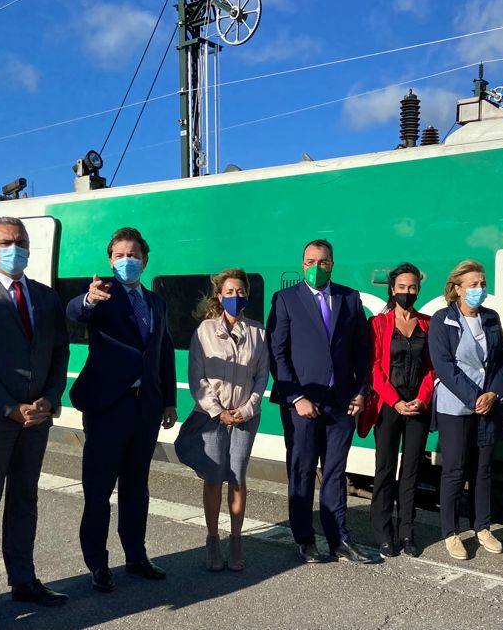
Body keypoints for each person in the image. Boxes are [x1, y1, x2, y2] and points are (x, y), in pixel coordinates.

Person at [0, 216, 70, 630]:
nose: (15, 247)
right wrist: (9, 407)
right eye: (6, 242)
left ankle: (23, 579)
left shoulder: (45, 296)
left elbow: (60, 352)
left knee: (25, 500)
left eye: (21, 241)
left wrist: (50, 401)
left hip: (36, 419)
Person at [66, 227, 177, 593]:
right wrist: (88, 300)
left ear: (144, 259)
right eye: (119, 255)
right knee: (98, 490)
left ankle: (136, 556)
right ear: (111, 260)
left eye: (133, 254)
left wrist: (169, 400)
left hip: (145, 408)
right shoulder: (102, 295)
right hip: (107, 407)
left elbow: (162, 352)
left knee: (136, 488)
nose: (126, 260)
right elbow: (75, 312)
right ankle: (97, 564)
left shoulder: (156, 302)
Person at [267, 239, 372, 564]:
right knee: (301, 471)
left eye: (323, 262)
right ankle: (305, 539)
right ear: (302, 264)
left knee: (336, 473)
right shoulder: (285, 299)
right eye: (310, 261)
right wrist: (296, 396)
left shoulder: (350, 298)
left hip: (341, 403)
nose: (316, 267)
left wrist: (361, 390)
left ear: (332, 264)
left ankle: (339, 538)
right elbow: (277, 353)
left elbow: (364, 351)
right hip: (301, 404)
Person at [175, 269, 268, 572]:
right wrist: (219, 411)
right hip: (212, 418)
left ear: (247, 295)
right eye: (229, 292)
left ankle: (236, 540)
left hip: (244, 418)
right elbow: (196, 377)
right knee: (214, 479)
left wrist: (247, 409)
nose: (235, 297)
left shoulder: (258, 333)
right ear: (219, 296)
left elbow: (261, 377)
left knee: (238, 479)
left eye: (240, 292)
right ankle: (213, 538)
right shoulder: (204, 332)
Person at [429, 260, 503, 561]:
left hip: (487, 406)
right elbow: (444, 365)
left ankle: (482, 527)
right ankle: (450, 532)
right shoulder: (442, 320)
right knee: (454, 470)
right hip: (455, 407)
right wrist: (476, 396)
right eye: (473, 284)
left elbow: (501, 360)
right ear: (457, 289)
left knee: (483, 470)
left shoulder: (491, 318)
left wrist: (493, 394)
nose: (480, 289)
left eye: (482, 283)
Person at [358, 263, 434, 558]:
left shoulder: (428, 323)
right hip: (389, 406)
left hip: (418, 406)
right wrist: (395, 400)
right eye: (402, 287)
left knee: (412, 471)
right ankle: (383, 532)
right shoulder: (377, 324)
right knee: (385, 469)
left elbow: (432, 367)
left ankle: (407, 532)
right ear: (392, 289)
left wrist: (422, 399)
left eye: (412, 287)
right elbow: (374, 368)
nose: (407, 292)